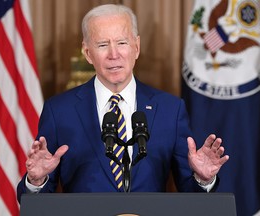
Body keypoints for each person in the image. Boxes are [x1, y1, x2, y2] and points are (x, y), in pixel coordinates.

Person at [17, 4, 229, 202]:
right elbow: (37, 203)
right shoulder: (59, 111)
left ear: (136, 47)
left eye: (122, 43)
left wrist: (203, 179)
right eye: (102, 45)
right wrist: (36, 181)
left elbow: (191, 195)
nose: (114, 54)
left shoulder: (170, 110)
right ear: (87, 52)